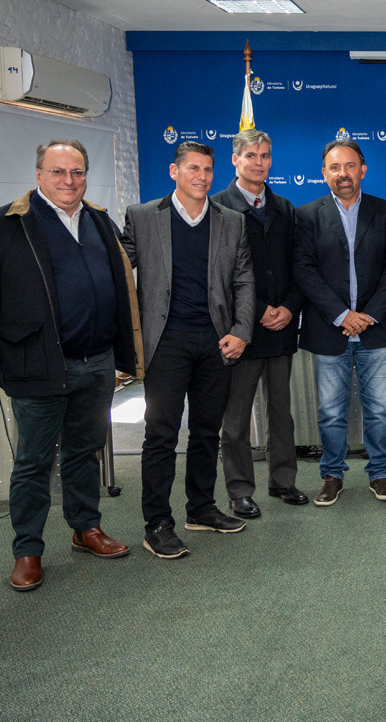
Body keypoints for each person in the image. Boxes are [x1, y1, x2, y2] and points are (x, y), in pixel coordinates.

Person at [0, 139, 142, 591]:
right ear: (39, 174)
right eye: (59, 172)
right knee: (34, 461)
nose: (69, 181)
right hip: (37, 363)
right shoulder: (5, 224)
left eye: (77, 172)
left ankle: (86, 529)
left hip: (96, 361)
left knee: (85, 452)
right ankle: (28, 550)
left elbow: (120, 287)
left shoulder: (98, 220)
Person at [121, 141, 255, 558]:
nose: (202, 176)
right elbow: (118, 276)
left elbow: (244, 281)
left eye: (208, 169)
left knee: (206, 432)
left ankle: (201, 508)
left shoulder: (231, 220)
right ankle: (157, 523)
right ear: (174, 171)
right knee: (160, 435)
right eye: (193, 168)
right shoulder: (143, 217)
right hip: (165, 343)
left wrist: (242, 330)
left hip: (216, 342)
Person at [294, 141, 386, 505]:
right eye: (335, 167)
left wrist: (367, 315)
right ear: (324, 172)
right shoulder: (307, 215)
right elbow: (304, 271)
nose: (343, 173)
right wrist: (343, 315)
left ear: (363, 169)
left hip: (376, 327)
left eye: (350, 166)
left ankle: (381, 473)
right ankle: (331, 475)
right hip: (330, 329)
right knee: (330, 412)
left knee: (379, 409)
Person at [211, 129, 308, 516]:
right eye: (251, 155)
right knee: (235, 419)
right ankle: (239, 490)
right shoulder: (218, 207)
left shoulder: (285, 207)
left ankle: (283, 481)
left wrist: (289, 307)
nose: (259, 162)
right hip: (242, 330)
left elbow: (299, 267)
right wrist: (259, 309)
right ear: (235, 160)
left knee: (281, 414)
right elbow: (218, 275)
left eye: (265, 155)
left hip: (282, 327)